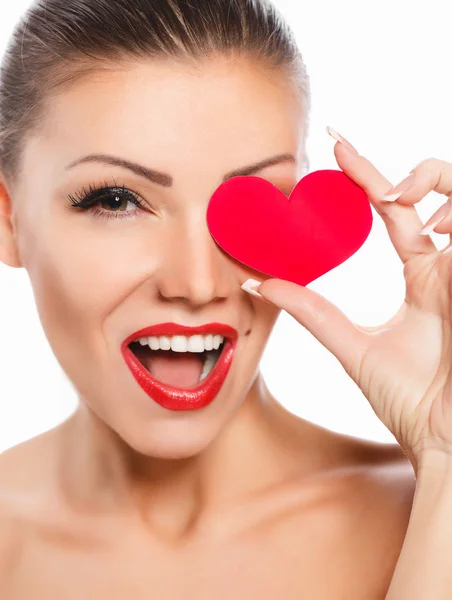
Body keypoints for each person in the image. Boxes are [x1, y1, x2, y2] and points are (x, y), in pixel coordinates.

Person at [1, 0, 451, 598]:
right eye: (114, 201)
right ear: (8, 219)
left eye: (251, 200)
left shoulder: (429, 510)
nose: (197, 282)